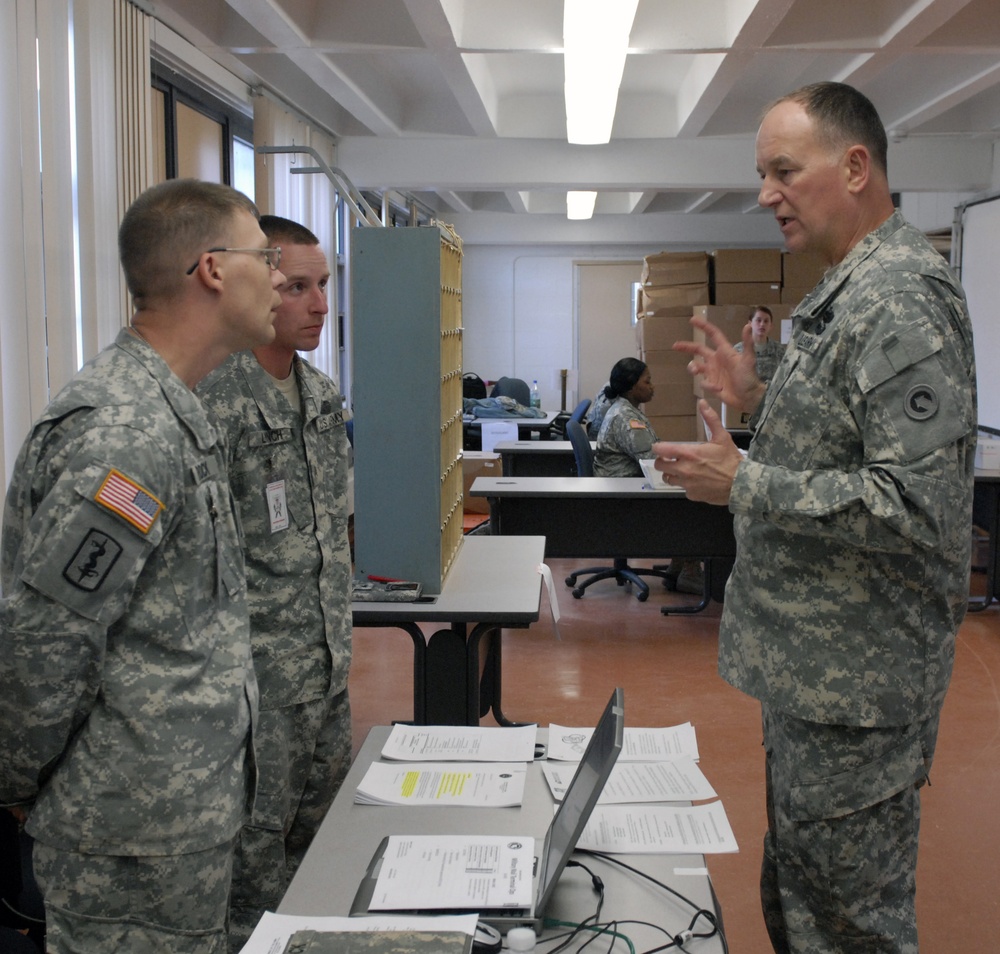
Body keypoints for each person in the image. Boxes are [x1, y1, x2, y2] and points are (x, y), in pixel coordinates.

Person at [653, 82, 976, 953]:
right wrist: (752, 398)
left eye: (784, 170)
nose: (766, 194)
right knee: (803, 903)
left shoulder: (900, 298)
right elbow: (841, 446)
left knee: (847, 927)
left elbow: (918, 505)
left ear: (857, 166)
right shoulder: (848, 292)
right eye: (763, 174)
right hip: (819, 676)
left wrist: (747, 484)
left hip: (859, 691)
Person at [0, 178, 284, 952]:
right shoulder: (126, 432)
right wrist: (19, 783)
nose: (281, 277)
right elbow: (45, 644)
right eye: (266, 256)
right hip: (129, 836)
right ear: (213, 269)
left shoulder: (173, 410)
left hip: (176, 823)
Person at [198, 215, 353, 951]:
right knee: (252, 879)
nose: (319, 304)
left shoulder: (320, 395)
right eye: (298, 287)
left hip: (327, 674)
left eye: (324, 286)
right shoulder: (213, 402)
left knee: (323, 860)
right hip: (256, 693)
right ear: (258, 286)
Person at [595, 358, 702, 595]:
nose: (653, 386)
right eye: (648, 381)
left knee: (686, 488)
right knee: (695, 501)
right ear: (632, 386)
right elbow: (652, 462)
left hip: (626, 488)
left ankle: (678, 568)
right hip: (626, 498)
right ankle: (690, 572)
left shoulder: (627, 410)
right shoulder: (626, 417)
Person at [733, 304, 785, 382]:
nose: (762, 324)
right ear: (750, 323)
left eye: (766, 321)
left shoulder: (780, 350)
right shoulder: (738, 350)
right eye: (758, 320)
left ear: (771, 326)